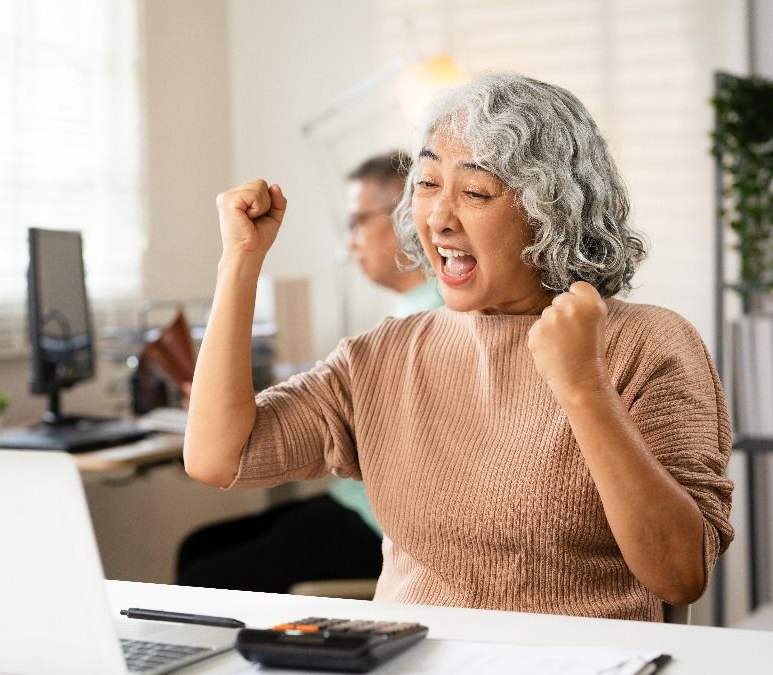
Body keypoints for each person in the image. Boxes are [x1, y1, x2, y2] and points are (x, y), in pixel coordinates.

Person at [184, 73, 734, 622]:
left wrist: (584, 388)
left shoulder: (648, 343)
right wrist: (239, 262)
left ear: (552, 212)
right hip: (408, 653)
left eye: (475, 192)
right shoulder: (385, 353)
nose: (439, 218)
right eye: (427, 183)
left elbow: (679, 575)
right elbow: (218, 457)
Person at [175, 151, 442, 593]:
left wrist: (240, 257)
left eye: (356, 222)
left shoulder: (431, 321)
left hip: (380, 525)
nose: (349, 243)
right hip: (352, 504)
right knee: (198, 547)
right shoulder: (406, 313)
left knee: (204, 574)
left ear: (404, 217)